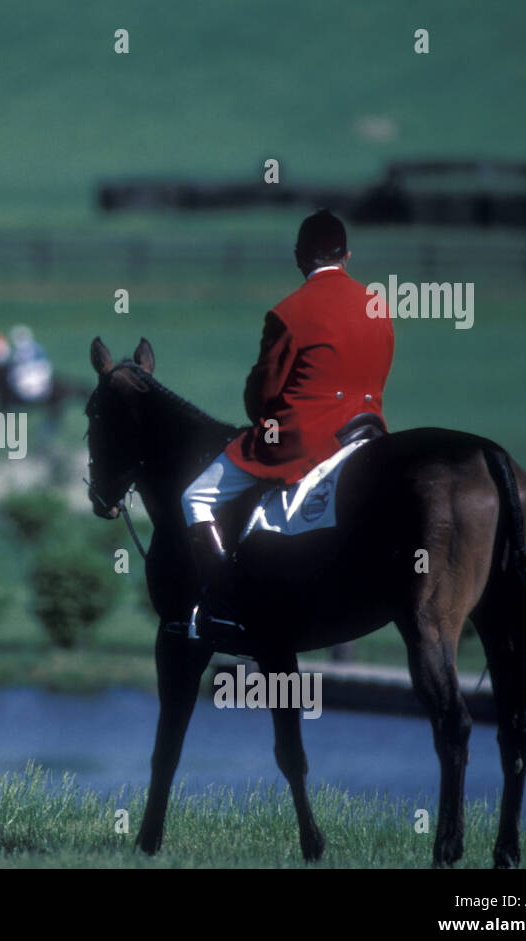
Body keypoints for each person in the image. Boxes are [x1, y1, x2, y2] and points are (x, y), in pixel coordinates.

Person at [180, 209, 395, 642]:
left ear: (299, 258)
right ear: (347, 256)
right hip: (368, 431)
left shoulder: (288, 313)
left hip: (302, 442)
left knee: (194, 497)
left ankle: (224, 602)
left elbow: (263, 394)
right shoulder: (379, 304)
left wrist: (263, 417)